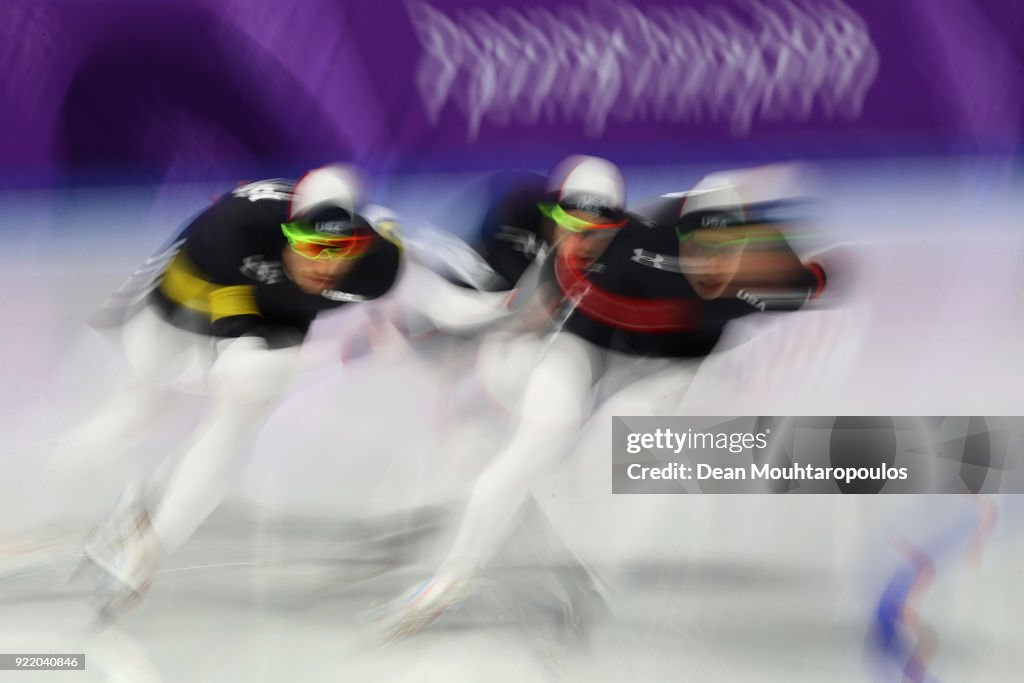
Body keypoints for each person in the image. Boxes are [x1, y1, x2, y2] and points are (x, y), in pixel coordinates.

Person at [377, 172, 829, 640]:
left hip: (667, 368)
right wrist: (428, 322)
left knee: (605, 469)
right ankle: (450, 581)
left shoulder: (771, 281)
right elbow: (500, 310)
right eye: (697, 248)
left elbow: (820, 280)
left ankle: (564, 568)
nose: (709, 266)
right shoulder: (620, 252)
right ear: (676, 242)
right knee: (530, 454)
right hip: (586, 350)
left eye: (724, 251)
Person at [67, 164, 402, 616]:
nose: (326, 264)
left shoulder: (379, 266)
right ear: (287, 233)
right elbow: (229, 348)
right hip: (193, 290)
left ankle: (153, 544)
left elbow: (421, 276)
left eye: (341, 249)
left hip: (281, 312)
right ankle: (131, 494)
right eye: (312, 247)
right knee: (158, 399)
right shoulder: (234, 229)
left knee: (242, 412)